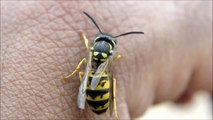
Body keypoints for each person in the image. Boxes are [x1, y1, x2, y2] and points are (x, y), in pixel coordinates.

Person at [1, 1, 212, 119]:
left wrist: (75, 75)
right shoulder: (110, 57)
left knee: (91, 71)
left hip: (93, 89)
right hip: (98, 93)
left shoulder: (92, 52)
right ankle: (113, 108)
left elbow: (87, 59)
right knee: (111, 80)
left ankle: (106, 102)